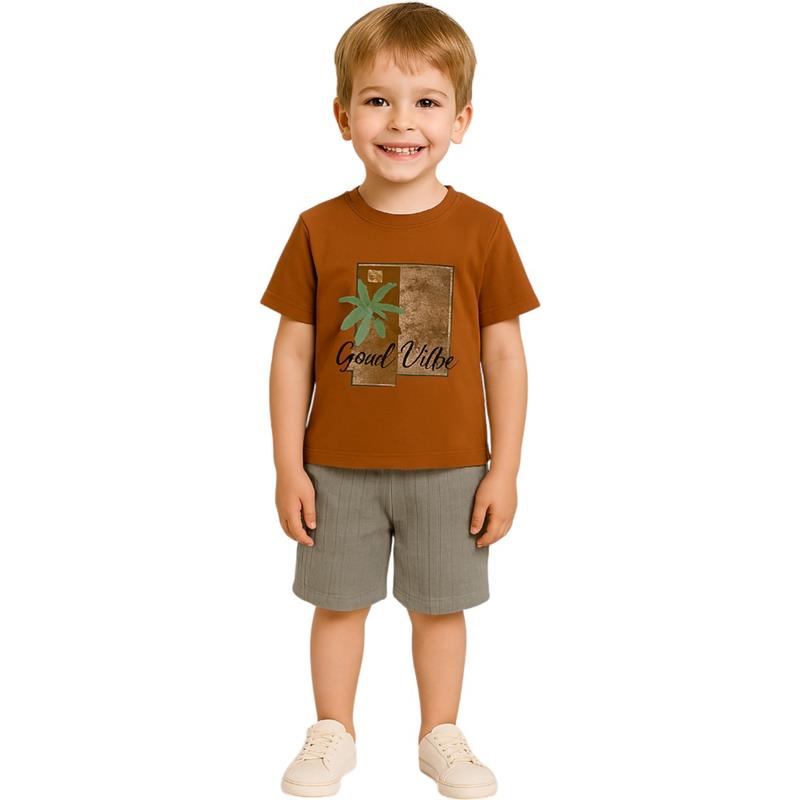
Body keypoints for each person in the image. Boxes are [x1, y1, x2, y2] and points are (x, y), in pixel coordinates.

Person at [260, 3, 541, 796]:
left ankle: (439, 733)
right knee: (337, 606)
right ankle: (333, 731)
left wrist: (504, 470)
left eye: (427, 102)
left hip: (451, 469)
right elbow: (291, 354)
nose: (402, 122)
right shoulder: (317, 228)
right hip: (336, 468)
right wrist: (288, 466)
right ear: (343, 115)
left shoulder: (483, 230)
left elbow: (505, 357)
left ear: (462, 119)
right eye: (378, 99)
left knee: (440, 609)